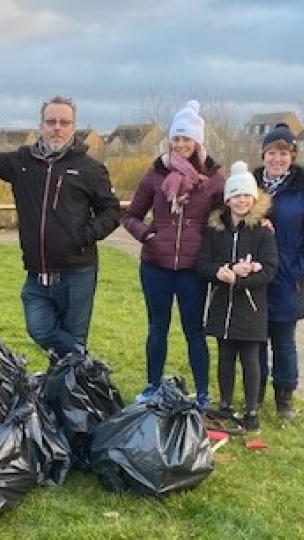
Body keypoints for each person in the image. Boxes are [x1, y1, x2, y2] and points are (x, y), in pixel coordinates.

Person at [0, 87, 121, 357]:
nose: (57, 128)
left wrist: (83, 236)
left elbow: (111, 212)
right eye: (51, 122)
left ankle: (69, 392)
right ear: (41, 125)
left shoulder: (90, 169)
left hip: (77, 273)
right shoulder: (22, 163)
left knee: (73, 339)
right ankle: (83, 365)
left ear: (73, 127)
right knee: (40, 329)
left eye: (64, 123)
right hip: (37, 274)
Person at [123, 100, 225, 408]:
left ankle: (203, 393)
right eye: (176, 138)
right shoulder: (155, 174)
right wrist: (147, 235)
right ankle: (153, 386)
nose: (181, 144)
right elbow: (130, 216)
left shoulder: (213, 179)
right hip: (156, 266)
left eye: (187, 138)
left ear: (198, 141)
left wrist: (256, 220)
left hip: (193, 269)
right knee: (158, 328)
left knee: (195, 331)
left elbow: (228, 214)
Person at [253, 123, 304, 419]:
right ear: (263, 155)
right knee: (255, 340)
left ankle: (284, 397)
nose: (277, 159)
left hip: (288, 278)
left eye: (283, 153)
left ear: (292, 156)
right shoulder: (250, 185)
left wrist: (298, 270)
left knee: (283, 341)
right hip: (255, 275)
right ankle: (253, 394)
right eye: (272, 153)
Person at [197, 161, 277, 431]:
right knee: (225, 357)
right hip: (222, 305)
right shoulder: (215, 229)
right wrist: (223, 272)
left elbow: (269, 270)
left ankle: (252, 410)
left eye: (246, 195)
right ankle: (226, 405)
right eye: (236, 195)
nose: (241, 200)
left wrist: (241, 280)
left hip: (252, 309)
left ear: (253, 199)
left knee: (251, 360)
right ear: (227, 199)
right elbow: (203, 264)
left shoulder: (263, 232)